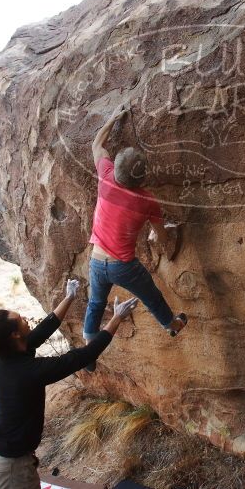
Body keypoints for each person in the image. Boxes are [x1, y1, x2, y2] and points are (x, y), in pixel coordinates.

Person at [0, 278, 138, 489]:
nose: (25, 320)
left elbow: (41, 331)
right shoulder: (27, 371)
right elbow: (84, 355)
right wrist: (117, 318)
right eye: (21, 319)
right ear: (15, 334)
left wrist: (70, 297)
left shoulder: (5, 354)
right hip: (10, 465)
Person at [83, 104, 187, 371]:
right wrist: (168, 247)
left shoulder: (105, 178)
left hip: (97, 260)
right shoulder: (147, 201)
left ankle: (88, 347)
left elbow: (97, 144)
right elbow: (161, 234)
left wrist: (113, 118)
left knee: (95, 303)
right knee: (151, 296)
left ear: (115, 170)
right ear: (141, 177)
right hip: (123, 266)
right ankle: (172, 325)